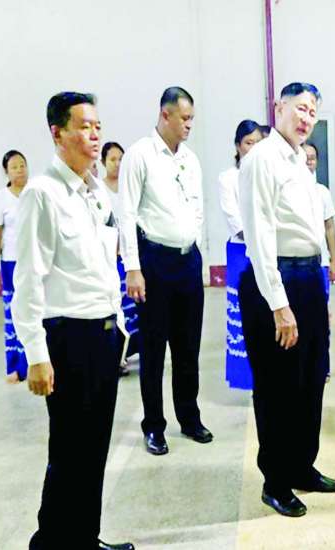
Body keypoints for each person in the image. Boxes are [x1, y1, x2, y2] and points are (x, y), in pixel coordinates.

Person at [12, 91, 134, 550]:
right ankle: (50, 542)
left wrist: (118, 327)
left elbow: (104, 266)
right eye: (84, 126)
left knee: (94, 448)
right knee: (67, 450)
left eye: (97, 126)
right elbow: (28, 280)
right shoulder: (42, 194)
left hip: (103, 336)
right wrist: (36, 354)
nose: (95, 134)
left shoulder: (97, 192)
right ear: (57, 133)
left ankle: (85, 537)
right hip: (67, 338)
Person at [238, 82, 335, 518]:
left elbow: (312, 229)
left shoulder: (300, 160)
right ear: (278, 107)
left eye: (313, 112)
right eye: (300, 108)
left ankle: (302, 465)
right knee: (278, 386)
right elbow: (260, 235)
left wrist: (321, 290)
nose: (306, 118)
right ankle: (276, 481)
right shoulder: (262, 159)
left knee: (311, 379)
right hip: (276, 280)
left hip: (308, 277)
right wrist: (279, 304)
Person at [118, 86, 211, 456]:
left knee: (188, 347)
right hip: (153, 262)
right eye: (184, 118)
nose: (189, 125)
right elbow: (127, 213)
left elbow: (198, 209)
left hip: (188, 261)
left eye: (192, 119)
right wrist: (133, 268)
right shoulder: (140, 155)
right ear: (165, 115)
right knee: (154, 350)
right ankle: (154, 426)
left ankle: (189, 417)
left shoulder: (190, 159)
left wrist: (196, 250)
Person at [219, 120, 268, 390]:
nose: (254, 148)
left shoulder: (268, 174)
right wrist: (261, 236)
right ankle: (245, 377)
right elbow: (234, 219)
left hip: (269, 251)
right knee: (242, 318)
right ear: (238, 146)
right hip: (242, 251)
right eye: (249, 143)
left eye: (259, 143)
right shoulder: (228, 178)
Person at [0, 150, 30, 383]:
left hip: (33, 263)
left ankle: (32, 363)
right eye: (14, 167)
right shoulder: (1, 198)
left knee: (33, 312)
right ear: (6, 171)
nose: (20, 170)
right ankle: (14, 366)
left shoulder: (34, 193)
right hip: (11, 263)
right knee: (12, 313)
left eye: (23, 165)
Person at [100, 142, 139, 376]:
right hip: (110, 260)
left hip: (130, 257)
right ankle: (118, 357)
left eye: (121, 159)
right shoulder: (99, 190)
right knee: (117, 308)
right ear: (103, 162)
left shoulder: (128, 186)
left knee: (134, 306)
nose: (117, 164)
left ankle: (134, 350)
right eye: (112, 159)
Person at [302, 142, 335, 383]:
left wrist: (334, 260)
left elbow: (330, 228)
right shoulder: (287, 190)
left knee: (322, 317)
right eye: (304, 157)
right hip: (296, 265)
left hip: (320, 265)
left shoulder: (322, 193)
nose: (308, 162)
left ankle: (322, 365)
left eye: (312, 158)